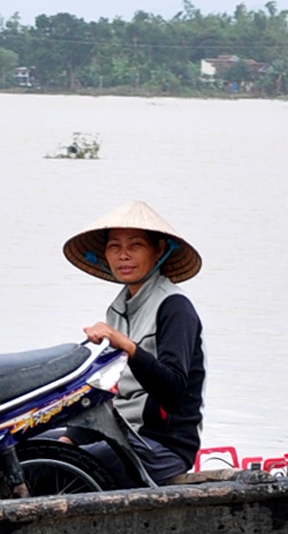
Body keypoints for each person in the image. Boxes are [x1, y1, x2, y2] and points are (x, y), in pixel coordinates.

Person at [64, 200, 206, 483]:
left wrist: (128, 347)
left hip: (160, 445)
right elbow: (105, 390)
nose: (123, 255)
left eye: (136, 245)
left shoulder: (175, 308)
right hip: (118, 433)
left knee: (60, 466)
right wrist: (72, 436)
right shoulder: (117, 310)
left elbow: (173, 390)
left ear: (159, 250)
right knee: (25, 450)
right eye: (115, 246)